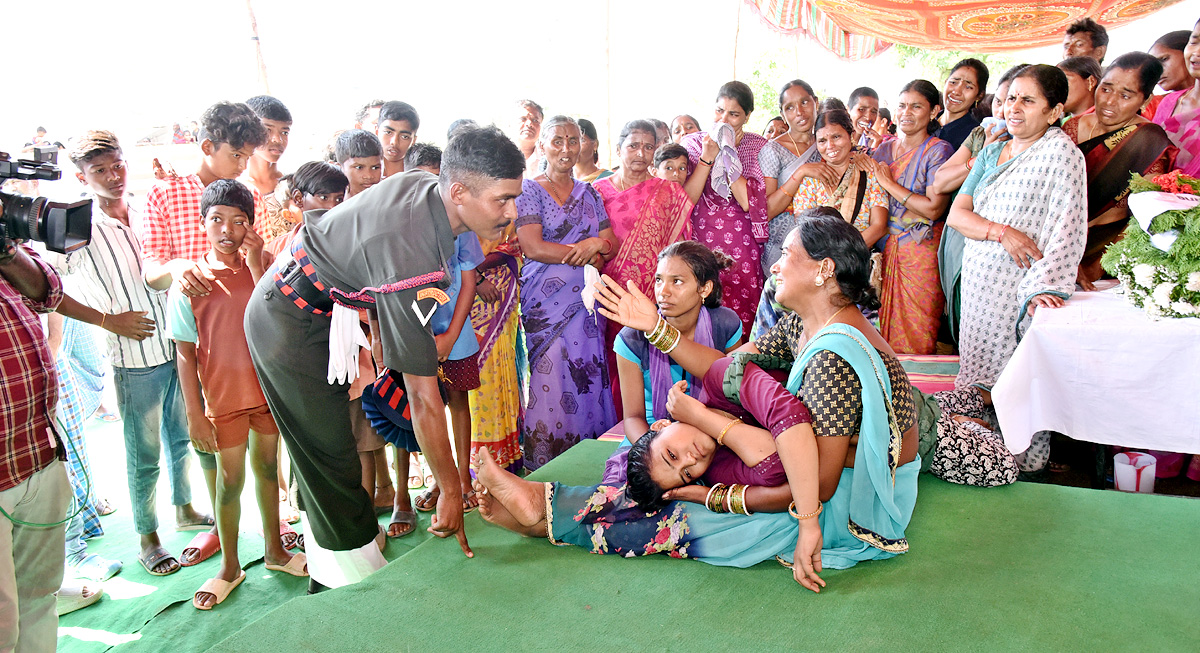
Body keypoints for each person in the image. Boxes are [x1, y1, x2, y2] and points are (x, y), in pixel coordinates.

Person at [475, 214, 924, 591]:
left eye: (787, 255)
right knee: (668, 476)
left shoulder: (831, 359)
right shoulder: (806, 324)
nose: (775, 266)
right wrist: (656, 327)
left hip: (849, 495)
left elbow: (816, 488)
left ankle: (544, 514)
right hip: (808, 461)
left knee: (689, 519)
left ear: (824, 270)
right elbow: (725, 369)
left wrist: (714, 497)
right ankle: (545, 511)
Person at [244, 126, 524, 590]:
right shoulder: (412, 256)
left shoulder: (426, 188)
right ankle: (350, 593)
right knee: (333, 463)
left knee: (330, 460)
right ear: (458, 191)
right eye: (502, 200)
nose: (512, 212)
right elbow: (422, 394)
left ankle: (332, 572)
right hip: (287, 320)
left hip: (322, 311)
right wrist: (451, 490)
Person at [63, 130, 210, 578]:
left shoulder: (147, 206)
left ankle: (183, 508)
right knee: (142, 452)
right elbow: (51, 293)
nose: (112, 176)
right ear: (81, 176)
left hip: (177, 345)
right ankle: (148, 536)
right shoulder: (77, 226)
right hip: (132, 357)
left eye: (117, 164)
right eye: (99, 170)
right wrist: (109, 321)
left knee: (181, 437)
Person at [139, 101, 268, 568]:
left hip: (241, 344)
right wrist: (184, 270)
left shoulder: (242, 196)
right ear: (209, 147)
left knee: (257, 456)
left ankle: (269, 532)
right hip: (190, 333)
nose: (243, 165)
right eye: (237, 155)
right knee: (205, 443)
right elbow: (151, 267)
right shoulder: (164, 193)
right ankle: (220, 533)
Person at [168, 180, 306, 610]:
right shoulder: (191, 282)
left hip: (267, 394)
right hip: (223, 402)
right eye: (216, 219)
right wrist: (195, 414)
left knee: (268, 470)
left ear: (251, 225)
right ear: (203, 222)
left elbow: (276, 313)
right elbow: (185, 354)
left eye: (238, 221)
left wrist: (253, 262)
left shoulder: (264, 265)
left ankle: (275, 551)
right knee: (230, 483)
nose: (226, 229)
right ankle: (229, 565)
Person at [947, 64, 1086, 394]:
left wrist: (1045, 286)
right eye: (1010, 98)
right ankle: (974, 444)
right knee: (975, 384)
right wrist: (1002, 232)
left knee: (1016, 388)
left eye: (1028, 100)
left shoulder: (1061, 154)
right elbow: (957, 215)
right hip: (979, 287)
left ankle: (1014, 448)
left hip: (1020, 289)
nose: (1014, 108)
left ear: (1054, 112)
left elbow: (1068, 226)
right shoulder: (992, 151)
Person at [515, 116, 619, 470]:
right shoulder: (528, 189)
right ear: (542, 145)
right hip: (546, 304)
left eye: (573, 141)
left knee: (588, 374)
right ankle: (548, 465)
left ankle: (591, 463)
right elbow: (532, 246)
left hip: (587, 304)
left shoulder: (590, 192)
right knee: (553, 375)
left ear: (583, 145)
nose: (565, 148)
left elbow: (611, 244)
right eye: (557, 140)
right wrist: (584, 249)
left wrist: (597, 243)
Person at [594, 119, 694, 413]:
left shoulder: (669, 193)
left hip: (653, 295)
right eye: (633, 145)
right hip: (607, 292)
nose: (640, 153)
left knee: (649, 359)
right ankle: (616, 424)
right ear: (619, 148)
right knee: (610, 359)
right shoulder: (596, 192)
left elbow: (679, 246)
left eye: (648, 147)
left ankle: (654, 419)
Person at [0, 237, 70, 652]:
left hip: (39, 455)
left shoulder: (8, 247)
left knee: (39, 599)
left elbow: (50, 291)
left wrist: (6, 251)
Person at [1063, 53, 1178, 290]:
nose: (1110, 102)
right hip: (1061, 242)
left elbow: (1143, 217)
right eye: (1106, 89)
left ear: (1145, 101)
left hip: (1106, 252)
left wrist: (1103, 263)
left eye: (1125, 95)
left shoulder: (1149, 141)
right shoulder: (1072, 127)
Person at [932, 64, 1025, 345]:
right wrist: (981, 158)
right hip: (963, 233)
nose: (1007, 110)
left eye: (1021, 100)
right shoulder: (979, 136)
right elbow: (940, 182)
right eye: (1002, 101)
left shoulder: (1042, 145)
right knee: (962, 315)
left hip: (1010, 247)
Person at [612, 241, 742, 440]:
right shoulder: (632, 338)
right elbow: (632, 417)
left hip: (712, 426)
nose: (663, 291)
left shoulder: (725, 325)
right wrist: (650, 446)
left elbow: (735, 394)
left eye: (677, 281)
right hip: (651, 430)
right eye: (658, 280)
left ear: (705, 288)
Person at [866, 80, 954, 355]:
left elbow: (933, 209)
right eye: (902, 105)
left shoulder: (938, 150)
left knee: (918, 330)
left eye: (916, 106)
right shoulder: (882, 150)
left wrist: (889, 183)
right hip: (884, 249)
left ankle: (918, 389)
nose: (906, 112)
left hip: (921, 250)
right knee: (878, 330)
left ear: (934, 111)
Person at [680, 81, 769, 335]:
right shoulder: (694, 144)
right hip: (701, 239)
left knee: (743, 311)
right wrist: (710, 156)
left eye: (734, 114)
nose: (724, 119)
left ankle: (740, 370)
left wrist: (729, 155)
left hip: (742, 246)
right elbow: (687, 199)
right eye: (719, 111)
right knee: (701, 306)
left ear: (747, 116)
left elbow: (746, 201)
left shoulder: (756, 146)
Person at [790, 111, 888, 248]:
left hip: (858, 259)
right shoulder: (810, 179)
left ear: (851, 135)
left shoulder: (869, 172)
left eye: (836, 137)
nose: (830, 146)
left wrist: (846, 255)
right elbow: (805, 229)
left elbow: (879, 226)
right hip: (820, 260)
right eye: (822, 141)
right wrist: (828, 260)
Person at [760, 79, 828, 275]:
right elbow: (768, 210)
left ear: (816, 102)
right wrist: (801, 173)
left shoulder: (826, 144)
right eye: (790, 107)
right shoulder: (773, 149)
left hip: (820, 243)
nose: (799, 112)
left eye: (805, 102)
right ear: (783, 114)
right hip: (783, 245)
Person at [1152, 18, 1200, 176]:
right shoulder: (1168, 103)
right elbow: (1150, 160)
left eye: (1164, 60)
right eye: (1194, 42)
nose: (1197, 52)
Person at [244, 95, 294, 242]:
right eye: (268, 130)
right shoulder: (237, 187)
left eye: (284, 132)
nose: (277, 139)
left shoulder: (293, 184)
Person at [936, 59, 989, 150]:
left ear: (979, 95)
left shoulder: (975, 135)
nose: (956, 91)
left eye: (968, 87)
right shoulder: (927, 120)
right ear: (945, 82)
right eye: (953, 82)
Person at [1146, 31, 1193, 118]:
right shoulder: (1155, 107)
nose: (1157, 71)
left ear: (1188, 53)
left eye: (1164, 59)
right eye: (1152, 68)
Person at [335, 129, 384, 198]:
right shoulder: (332, 202)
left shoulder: (390, 198)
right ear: (340, 168)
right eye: (359, 167)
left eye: (375, 168)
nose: (369, 176)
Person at [376, 101, 419, 178]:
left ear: (413, 140)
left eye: (404, 137)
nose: (394, 142)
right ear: (377, 131)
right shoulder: (362, 171)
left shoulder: (418, 176)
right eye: (388, 132)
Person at [575, 118, 613, 182]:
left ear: (595, 145)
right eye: (572, 141)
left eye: (582, 140)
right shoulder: (562, 181)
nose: (575, 147)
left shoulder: (609, 180)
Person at [514, 99, 544, 175]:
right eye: (523, 119)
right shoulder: (499, 156)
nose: (529, 123)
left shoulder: (548, 160)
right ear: (510, 123)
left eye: (535, 120)